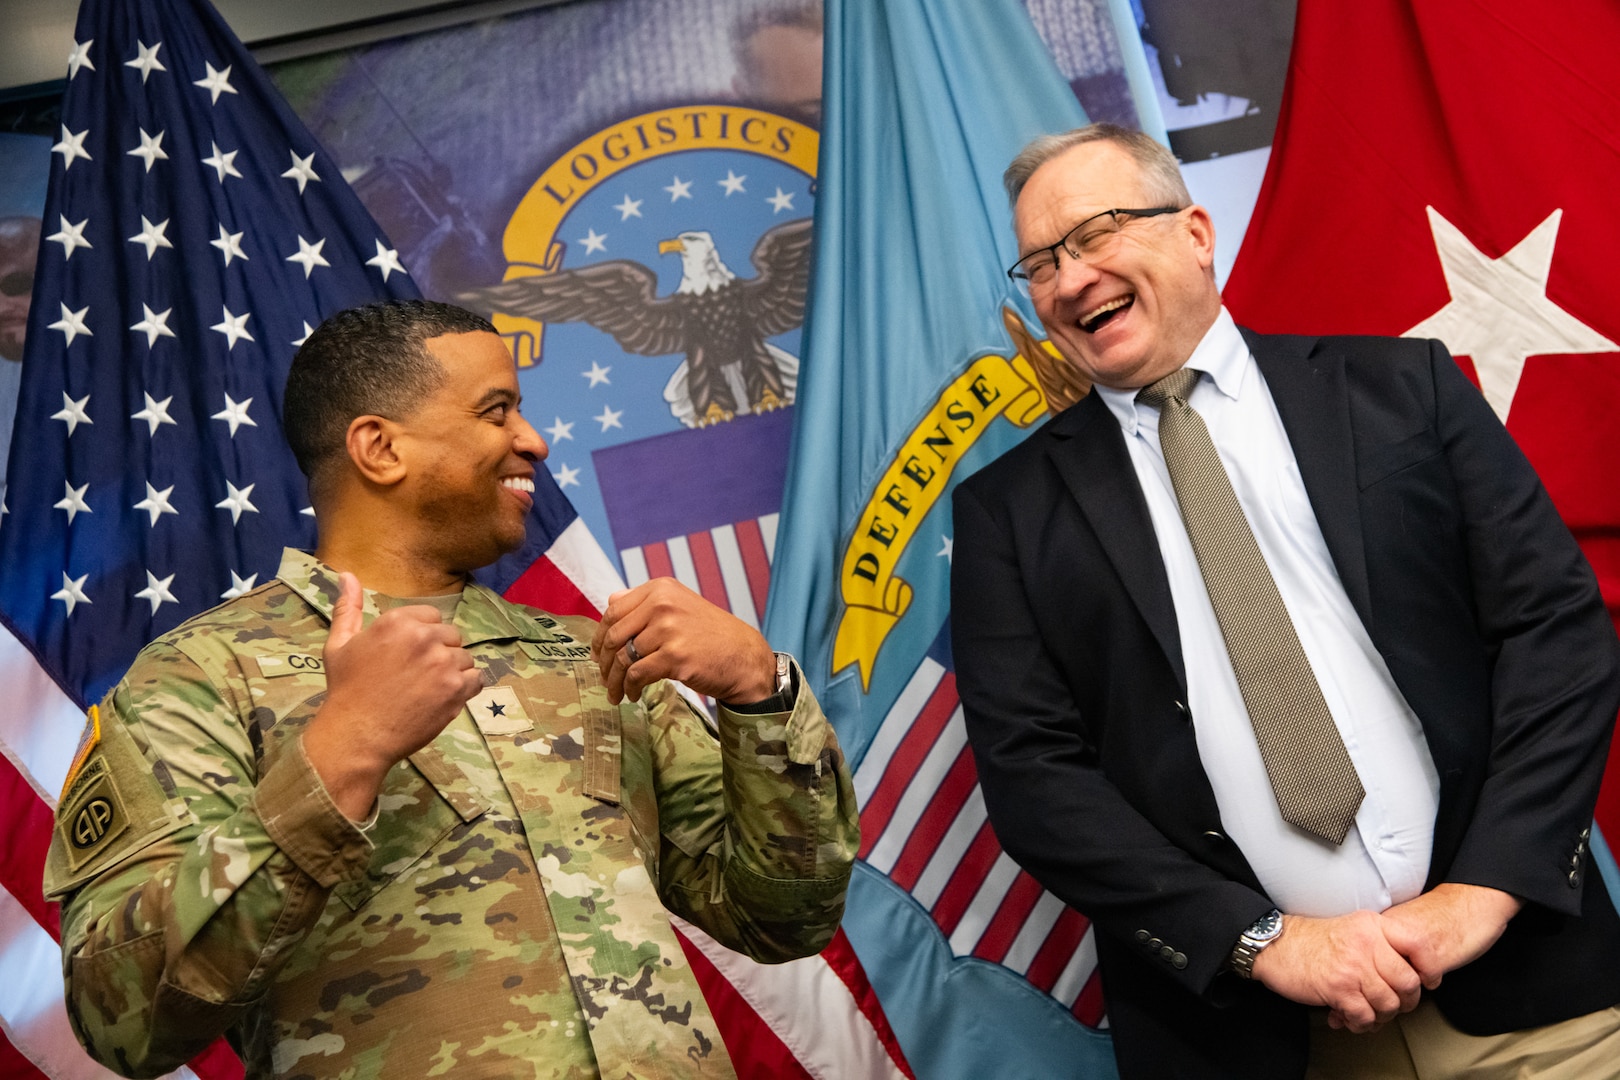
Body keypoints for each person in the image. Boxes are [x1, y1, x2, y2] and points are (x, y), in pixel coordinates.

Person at [951, 123, 1620, 1079]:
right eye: (1042, 262)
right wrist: (1264, 942)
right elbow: (1034, 781)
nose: (1070, 279)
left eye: (1095, 234)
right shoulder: (1005, 515)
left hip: (1529, 1002)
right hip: (1257, 1045)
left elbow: (1555, 633)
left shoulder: (1404, 389)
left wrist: (1485, 892)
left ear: (1194, 233)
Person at [44, 300, 858, 1079]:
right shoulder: (200, 675)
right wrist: (339, 756)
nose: (533, 441)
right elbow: (123, 1019)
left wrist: (760, 694)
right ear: (379, 448)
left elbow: (785, 916)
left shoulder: (594, 658)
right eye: (496, 411)